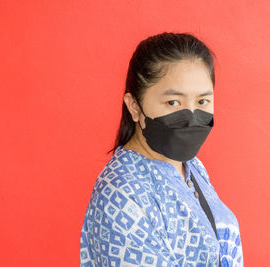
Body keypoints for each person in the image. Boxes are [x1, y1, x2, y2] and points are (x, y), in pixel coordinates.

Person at [80, 32, 244, 267]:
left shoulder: (192, 167)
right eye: (173, 103)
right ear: (134, 106)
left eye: (202, 102)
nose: (190, 117)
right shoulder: (121, 195)